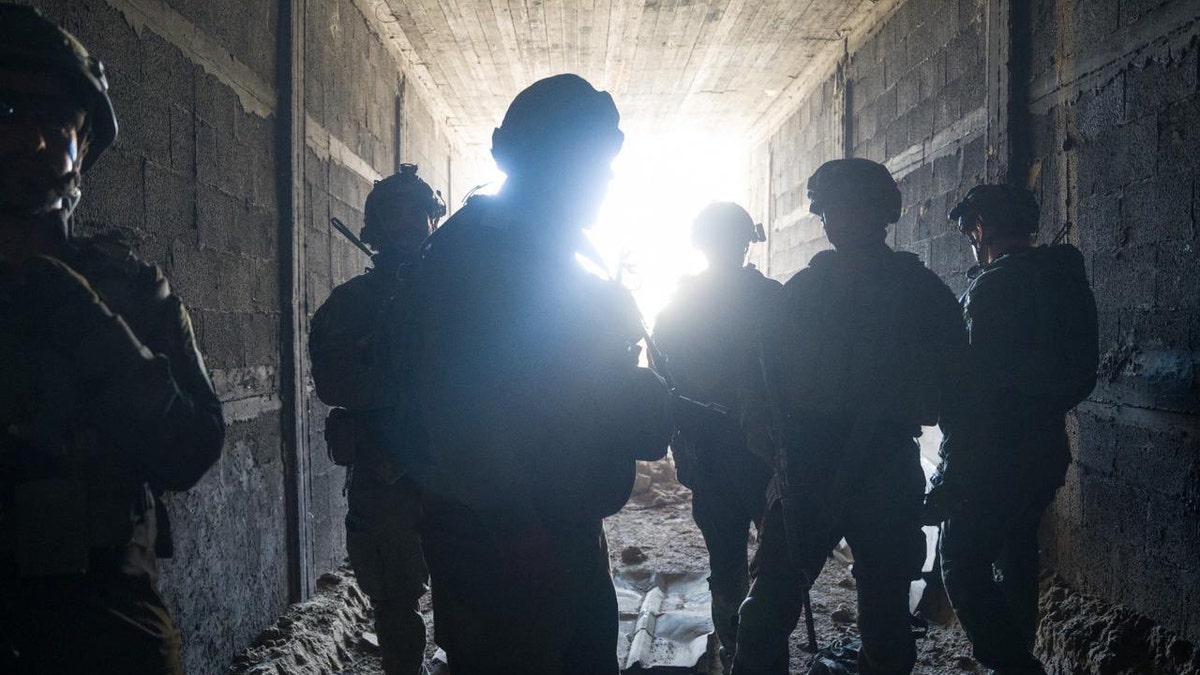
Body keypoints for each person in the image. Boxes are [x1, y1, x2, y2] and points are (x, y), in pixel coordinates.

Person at [414, 73, 671, 675]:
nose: (603, 183)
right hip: (505, 539)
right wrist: (516, 530)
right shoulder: (479, 254)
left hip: (560, 524)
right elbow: (459, 413)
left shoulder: (548, 248)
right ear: (549, 161)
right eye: (591, 166)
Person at [0, 5, 225, 673]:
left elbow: (190, 448)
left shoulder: (129, 289)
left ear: (84, 143)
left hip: (103, 624)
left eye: (54, 120)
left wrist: (88, 322)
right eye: (6, 114)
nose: (31, 142)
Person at [732, 158, 966, 675]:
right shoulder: (803, 292)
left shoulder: (920, 295)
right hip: (812, 464)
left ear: (881, 214)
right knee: (767, 611)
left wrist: (954, 474)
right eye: (829, 210)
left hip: (880, 463)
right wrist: (763, 436)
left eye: (848, 208)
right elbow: (758, 375)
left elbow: (960, 393)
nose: (835, 219)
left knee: (883, 618)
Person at [927, 184, 1098, 675]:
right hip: (1044, 451)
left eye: (970, 232)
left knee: (960, 561)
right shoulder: (1060, 278)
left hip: (992, 457)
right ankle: (1017, 648)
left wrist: (950, 476)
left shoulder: (993, 288)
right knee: (1016, 548)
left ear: (981, 228)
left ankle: (1014, 666)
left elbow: (973, 396)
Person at [309, 164, 445, 674]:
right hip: (387, 469)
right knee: (393, 597)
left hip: (455, 464)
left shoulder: (457, 297)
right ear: (376, 229)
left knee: (472, 589)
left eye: (419, 215)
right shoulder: (351, 305)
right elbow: (334, 384)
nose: (411, 226)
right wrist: (403, 386)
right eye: (398, 216)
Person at [653, 202, 779, 671]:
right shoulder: (771, 298)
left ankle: (738, 649)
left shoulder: (682, 304)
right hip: (753, 456)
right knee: (767, 565)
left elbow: (663, 381)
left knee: (730, 562)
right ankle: (754, 652)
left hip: (723, 454)